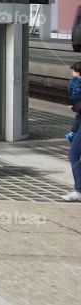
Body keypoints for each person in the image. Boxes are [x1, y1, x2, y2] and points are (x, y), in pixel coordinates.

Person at [62, 61, 81, 203]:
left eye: (73, 72)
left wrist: (75, 105)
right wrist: (73, 132)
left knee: (73, 153)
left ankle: (79, 191)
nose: (71, 74)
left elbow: (75, 99)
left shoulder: (77, 84)